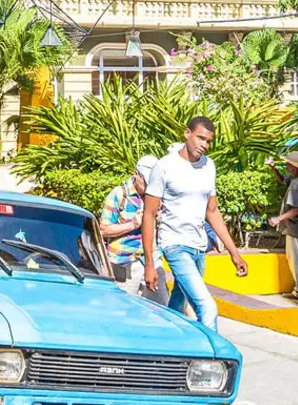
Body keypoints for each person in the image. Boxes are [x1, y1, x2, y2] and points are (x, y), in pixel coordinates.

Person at [141, 116, 250, 329]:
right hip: (175, 245)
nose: (204, 145)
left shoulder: (209, 166)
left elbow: (212, 211)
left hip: (199, 247)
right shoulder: (164, 166)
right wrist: (149, 263)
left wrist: (234, 253)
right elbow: (149, 214)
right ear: (187, 133)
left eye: (208, 141)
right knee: (207, 306)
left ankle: (167, 352)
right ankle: (214, 359)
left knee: (177, 305)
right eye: (200, 138)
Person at [99, 156, 167, 302]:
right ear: (136, 173)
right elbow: (103, 230)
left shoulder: (156, 195)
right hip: (126, 262)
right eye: (145, 181)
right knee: (125, 309)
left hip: (152, 259)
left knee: (160, 306)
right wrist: (132, 225)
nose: (149, 186)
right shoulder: (118, 195)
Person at [267, 150, 298, 301]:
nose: (287, 166)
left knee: (296, 261)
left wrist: (278, 219)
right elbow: (283, 180)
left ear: (294, 168)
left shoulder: (296, 187)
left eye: (289, 164)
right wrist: (273, 168)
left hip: (297, 228)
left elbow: (296, 209)